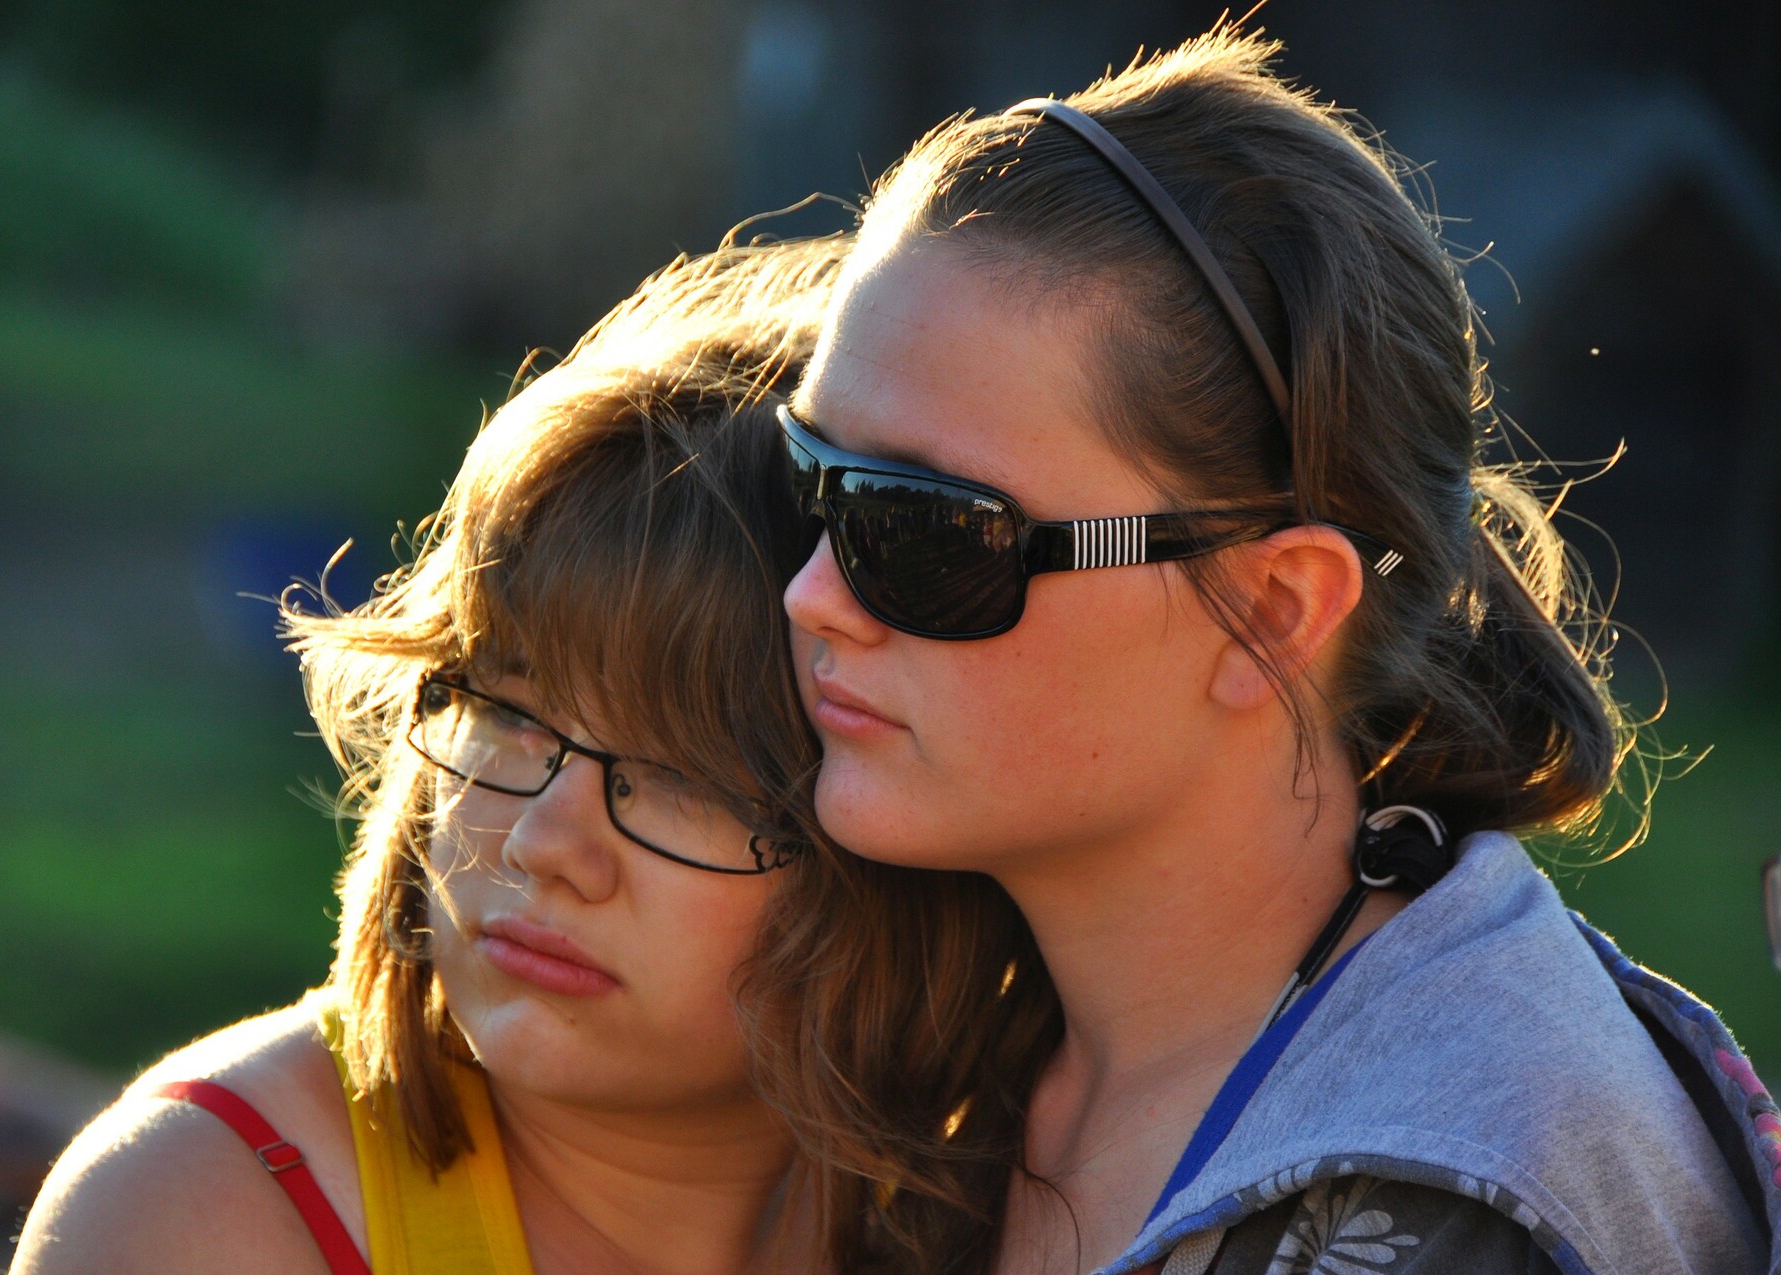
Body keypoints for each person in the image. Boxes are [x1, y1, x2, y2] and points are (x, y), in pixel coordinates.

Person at [756, 28, 1781, 1275]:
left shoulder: (1467, 1200)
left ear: (1273, 612)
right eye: (808, 479)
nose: (815, 595)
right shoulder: (944, 1043)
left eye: (925, 531)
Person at [12, 238, 862, 1275]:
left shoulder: (1006, 1213)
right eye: (509, 714)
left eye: (687, 775)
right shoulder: (205, 1209)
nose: (545, 843)